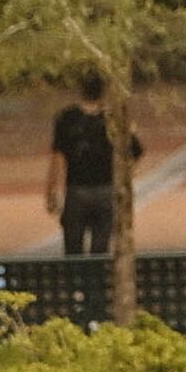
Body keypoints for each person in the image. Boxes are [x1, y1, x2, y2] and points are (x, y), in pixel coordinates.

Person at [47, 70, 126, 258]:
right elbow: (134, 151)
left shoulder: (67, 118)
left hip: (76, 191)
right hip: (106, 190)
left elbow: (58, 157)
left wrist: (52, 190)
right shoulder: (112, 119)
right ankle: (95, 285)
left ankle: (77, 287)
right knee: (100, 250)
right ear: (103, 91)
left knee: (73, 249)